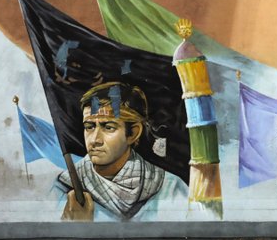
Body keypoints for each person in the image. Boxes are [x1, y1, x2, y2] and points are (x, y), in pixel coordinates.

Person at [59, 79, 186, 221]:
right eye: (89, 126)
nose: (95, 140)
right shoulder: (63, 189)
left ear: (133, 133)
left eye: (108, 127)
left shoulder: (171, 189)